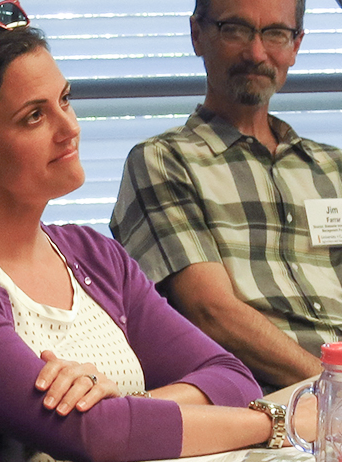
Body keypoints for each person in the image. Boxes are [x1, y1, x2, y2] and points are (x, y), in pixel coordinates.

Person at [0, 5, 280, 462]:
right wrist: (274, 424)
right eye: (34, 116)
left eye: (65, 100)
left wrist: (137, 409)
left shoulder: (92, 253)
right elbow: (91, 433)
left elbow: (230, 375)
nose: (69, 128)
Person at [110, 0, 342, 390]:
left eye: (275, 33)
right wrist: (332, 387)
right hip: (264, 404)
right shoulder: (163, 161)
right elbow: (210, 312)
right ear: (197, 35)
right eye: (234, 29)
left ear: (296, 45)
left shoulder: (332, 168)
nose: (256, 53)